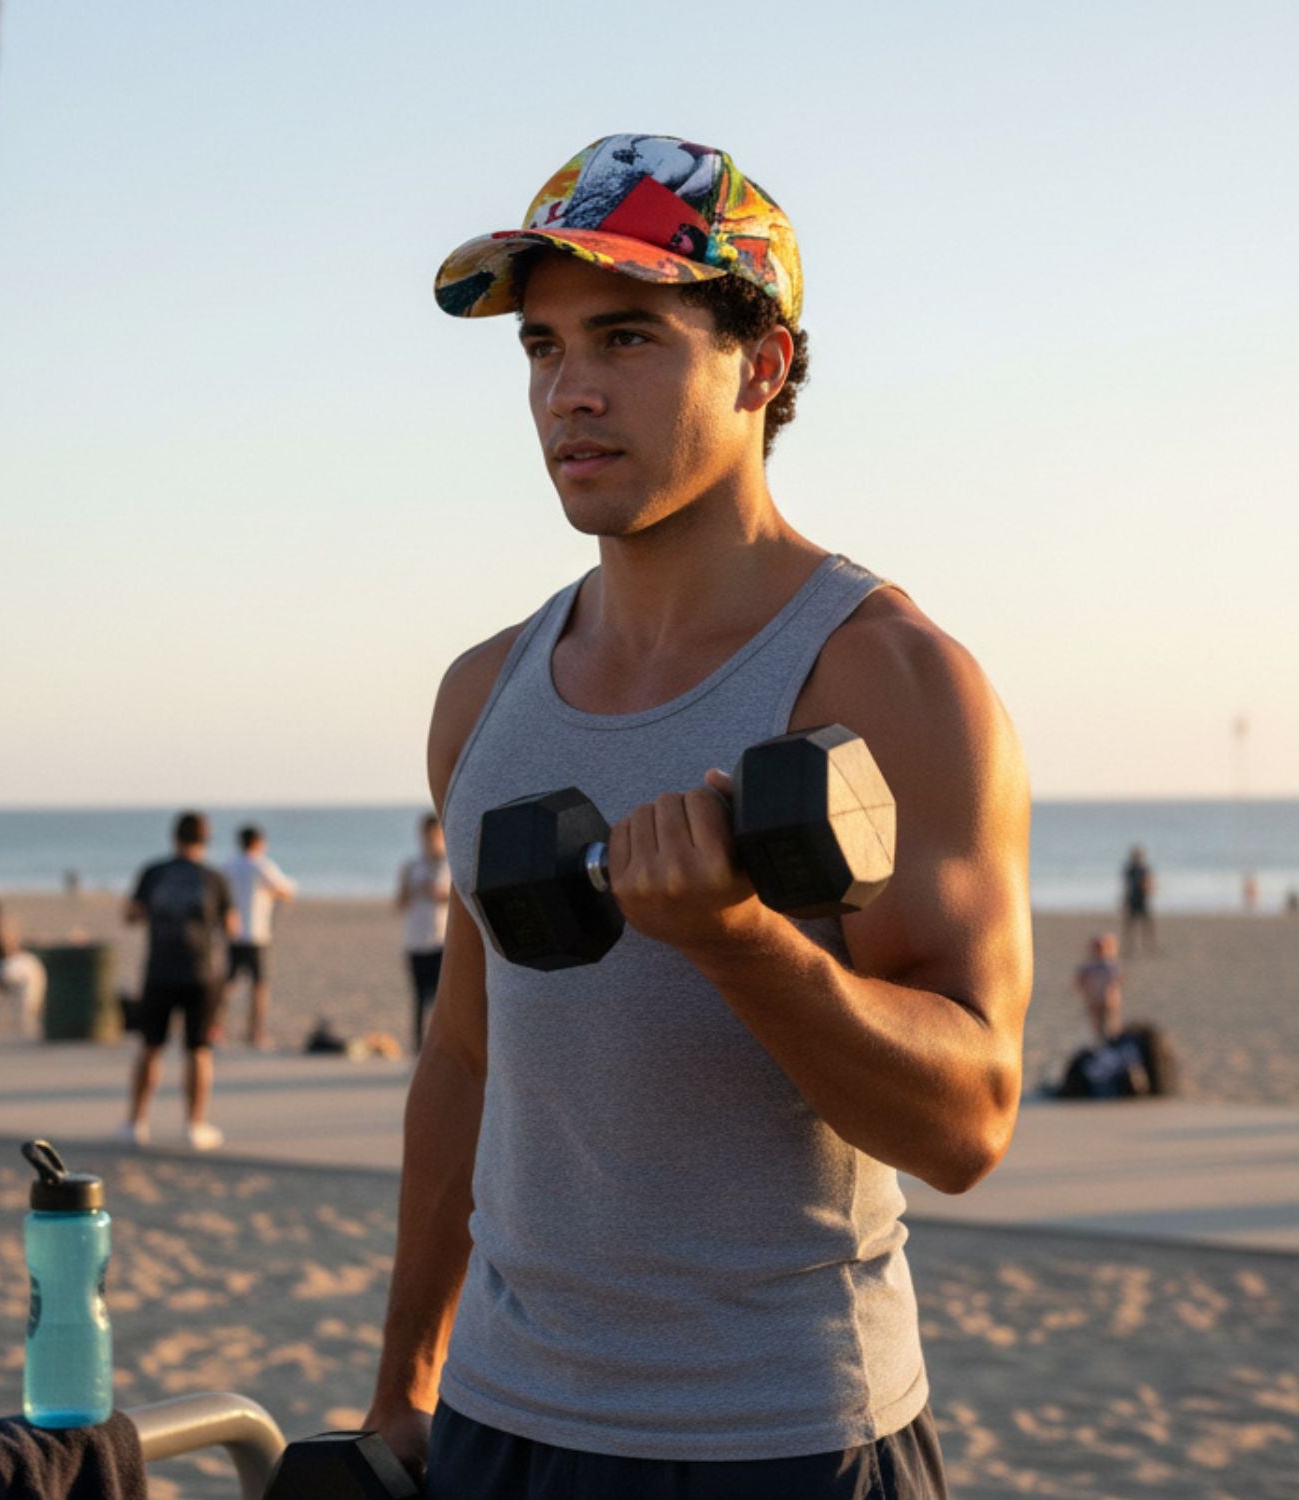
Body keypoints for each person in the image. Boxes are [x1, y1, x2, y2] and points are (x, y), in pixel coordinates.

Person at [365, 134, 1033, 1498]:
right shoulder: (482, 696)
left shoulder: (891, 682)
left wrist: (745, 945)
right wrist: (402, 1389)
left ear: (762, 365)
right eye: (542, 350)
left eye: (626, 336)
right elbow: (467, 1063)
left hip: (784, 1436)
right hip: (501, 1423)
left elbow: (970, 1119)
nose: (572, 391)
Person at [120, 811, 235, 1150]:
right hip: (202, 973)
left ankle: (135, 1122)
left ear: (175, 837)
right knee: (198, 1050)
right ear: (206, 839)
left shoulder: (154, 872)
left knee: (150, 1046)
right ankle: (194, 1124)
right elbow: (230, 927)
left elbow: (131, 914)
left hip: (159, 970)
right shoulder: (213, 878)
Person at [220, 824, 297, 1049]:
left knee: (227, 984)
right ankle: (255, 1033)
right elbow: (284, 890)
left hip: (231, 934)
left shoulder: (228, 866)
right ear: (258, 842)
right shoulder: (261, 865)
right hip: (255, 934)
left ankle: (215, 1028)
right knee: (259, 986)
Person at [396, 813, 450, 1051]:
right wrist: (411, 890)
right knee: (419, 1000)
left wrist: (436, 892)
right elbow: (399, 903)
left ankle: (442, 1049)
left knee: (443, 1001)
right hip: (416, 941)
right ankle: (417, 1052)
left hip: (441, 941)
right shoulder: (411, 866)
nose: (430, 840)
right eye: (426, 835)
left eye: (435, 835)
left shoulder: (449, 865)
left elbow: (458, 900)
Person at [0, 899, 47, 1035]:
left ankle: (30, 1009)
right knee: (31, 965)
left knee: (30, 966)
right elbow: (3, 954)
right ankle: (31, 1010)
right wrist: (10, 943)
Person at [1074, 931, 1123, 1043]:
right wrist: (1084, 990)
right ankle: (1099, 1040)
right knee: (1096, 1023)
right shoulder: (1090, 966)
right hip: (1094, 998)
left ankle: (1113, 1040)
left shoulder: (1110, 965)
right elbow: (1080, 978)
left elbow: (1117, 980)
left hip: (1108, 999)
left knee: (1112, 1023)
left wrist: (1112, 993)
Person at [1121, 844, 1156, 954]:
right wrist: (1125, 901)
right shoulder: (1129, 870)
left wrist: (1149, 890)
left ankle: (1150, 946)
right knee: (1130, 925)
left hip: (1142, 899)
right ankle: (1129, 946)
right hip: (1132, 899)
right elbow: (1126, 886)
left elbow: (1149, 883)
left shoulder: (1144, 869)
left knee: (1146, 924)